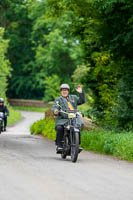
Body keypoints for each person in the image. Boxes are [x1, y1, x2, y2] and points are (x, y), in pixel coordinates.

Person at [52, 84, 85, 151]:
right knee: (59, 128)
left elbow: (82, 101)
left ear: (68, 91)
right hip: (63, 119)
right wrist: (55, 111)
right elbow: (55, 107)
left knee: (77, 127)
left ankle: (77, 145)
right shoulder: (58, 99)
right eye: (63, 90)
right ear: (61, 91)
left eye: (66, 90)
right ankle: (59, 145)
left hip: (73, 118)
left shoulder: (74, 97)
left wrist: (81, 93)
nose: (64, 92)